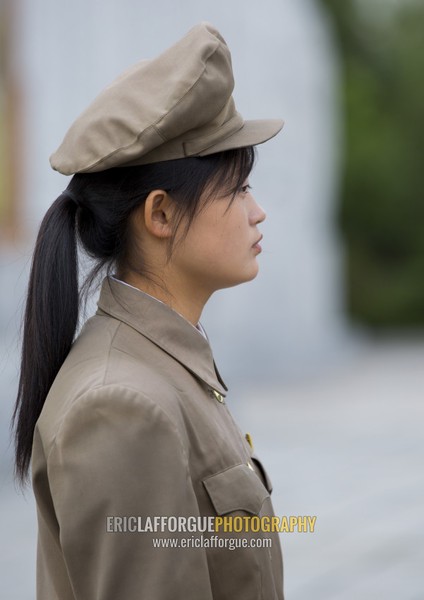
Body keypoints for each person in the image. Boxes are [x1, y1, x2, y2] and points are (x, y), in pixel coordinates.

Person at [13, 22, 284, 600]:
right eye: (237, 189)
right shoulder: (123, 405)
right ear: (160, 215)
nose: (257, 212)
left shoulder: (164, 369)